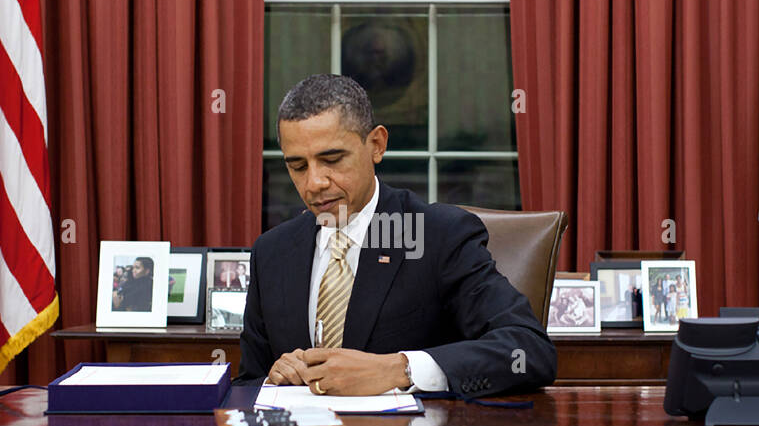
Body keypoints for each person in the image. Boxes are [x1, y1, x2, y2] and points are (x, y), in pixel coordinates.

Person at [236, 74, 556, 397]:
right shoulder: (271, 253)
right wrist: (272, 381)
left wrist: (399, 369)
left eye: (331, 160)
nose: (314, 183)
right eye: (298, 167)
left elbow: (528, 350)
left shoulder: (438, 236)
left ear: (376, 145)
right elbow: (247, 383)